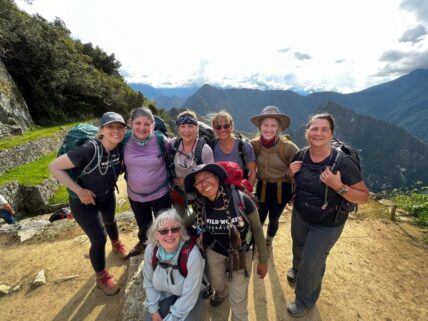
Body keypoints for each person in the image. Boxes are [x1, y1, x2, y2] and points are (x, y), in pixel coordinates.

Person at [287, 113, 369, 318]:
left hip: (327, 223)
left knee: (312, 264)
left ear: (331, 134)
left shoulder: (342, 163)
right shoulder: (301, 156)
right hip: (301, 214)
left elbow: (363, 196)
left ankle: (304, 301)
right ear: (306, 132)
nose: (318, 133)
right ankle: (297, 270)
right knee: (298, 246)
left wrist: (338, 186)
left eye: (324, 129)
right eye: (314, 128)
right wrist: (290, 174)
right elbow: (297, 184)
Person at [48, 111, 129, 296]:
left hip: (107, 195)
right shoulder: (89, 149)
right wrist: (79, 191)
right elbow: (54, 166)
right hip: (83, 202)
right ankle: (101, 278)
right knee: (99, 239)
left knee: (110, 220)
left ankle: (116, 244)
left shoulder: (117, 148)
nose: (115, 131)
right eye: (110, 127)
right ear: (102, 130)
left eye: (119, 127)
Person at [184, 163, 268, 321]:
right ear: (195, 187)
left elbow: (257, 229)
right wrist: (167, 229)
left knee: (238, 296)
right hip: (216, 249)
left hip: (242, 251)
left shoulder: (242, 200)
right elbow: (186, 223)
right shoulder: (201, 205)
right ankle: (221, 292)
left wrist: (263, 260)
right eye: (198, 181)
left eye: (207, 177)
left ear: (217, 178)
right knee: (217, 282)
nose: (203, 183)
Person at [123, 107, 172, 257]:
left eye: (147, 124)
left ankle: (165, 247)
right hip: (135, 194)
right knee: (142, 222)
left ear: (153, 125)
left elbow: (171, 158)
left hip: (161, 192)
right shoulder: (124, 140)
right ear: (131, 123)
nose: (142, 128)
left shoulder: (160, 140)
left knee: (163, 222)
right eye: (138, 123)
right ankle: (144, 241)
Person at [250, 106, 298, 253]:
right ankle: (256, 242)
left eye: (273, 125)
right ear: (260, 127)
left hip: (282, 187)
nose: (269, 129)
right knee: (259, 218)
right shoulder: (254, 145)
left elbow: (302, 168)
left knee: (274, 218)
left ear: (278, 128)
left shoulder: (288, 148)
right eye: (265, 125)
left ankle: (268, 242)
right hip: (262, 186)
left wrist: (293, 181)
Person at [143, 209, 204, 321]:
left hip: (190, 296)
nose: (170, 234)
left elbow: (190, 294)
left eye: (175, 229)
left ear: (180, 232)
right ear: (156, 235)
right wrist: (154, 311)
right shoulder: (151, 250)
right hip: (164, 294)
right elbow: (148, 282)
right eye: (163, 231)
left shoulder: (191, 255)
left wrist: (172, 318)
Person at [170, 110, 214, 217]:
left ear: (197, 128)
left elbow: (211, 176)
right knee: (180, 222)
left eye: (190, 126)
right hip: (178, 193)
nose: (186, 130)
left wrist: (187, 181)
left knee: (197, 221)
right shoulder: (173, 144)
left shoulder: (205, 150)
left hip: (200, 193)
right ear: (178, 129)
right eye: (183, 126)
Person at [211, 111, 257, 188]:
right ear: (214, 128)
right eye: (218, 127)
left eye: (226, 126)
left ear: (232, 126)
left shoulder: (245, 147)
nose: (222, 130)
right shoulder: (212, 146)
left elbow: (252, 172)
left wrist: (247, 193)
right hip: (218, 192)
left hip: (240, 191)